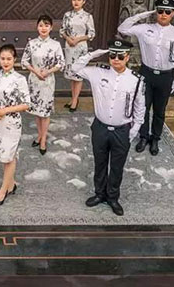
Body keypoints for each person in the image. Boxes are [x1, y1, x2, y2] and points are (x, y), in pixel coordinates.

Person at [72, 39, 146, 216]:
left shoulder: (135, 80)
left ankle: (113, 197)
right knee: (100, 162)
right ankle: (99, 194)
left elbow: (140, 107)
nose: (116, 59)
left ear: (127, 57)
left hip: (122, 129)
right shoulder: (98, 72)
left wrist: (134, 130)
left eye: (120, 56)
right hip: (100, 127)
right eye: (112, 55)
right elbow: (75, 68)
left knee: (117, 166)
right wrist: (94, 54)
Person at [117, 0, 174, 156]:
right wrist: (142, 15)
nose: (163, 14)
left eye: (167, 12)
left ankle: (155, 138)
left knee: (160, 110)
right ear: (156, 12)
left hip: (166, 76)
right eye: (160, 11)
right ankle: (143, 136)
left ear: (173, 13)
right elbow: (123, 28)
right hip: (146, 73)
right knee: (142, 107)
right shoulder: (145, 29)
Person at [0, 44, 30, 207]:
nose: (5, 62)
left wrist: (5, 110)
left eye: (9, 59)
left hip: (12, 123)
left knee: (9, 155)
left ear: (14, 59)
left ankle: (3, 190)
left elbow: (27, 104)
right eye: (2, 58)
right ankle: (11, 184)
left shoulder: (19, 79)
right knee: (3, 155)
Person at [21, 14, 66, 155]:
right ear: (37, 27)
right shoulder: (32, 43)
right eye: (41, 25)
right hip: (34, 81)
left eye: (46, 25)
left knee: (45, 112)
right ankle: (39, 135)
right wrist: (35, 71)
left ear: (51, 27)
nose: (43, 28)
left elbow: (61, 63)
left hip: (47, 81)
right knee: (37, 111)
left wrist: (48, 71)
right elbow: (24, 61)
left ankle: (43, 140)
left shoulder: (55, 45)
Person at [59, 0, 96, 112]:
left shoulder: (87, 16)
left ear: (83, 1)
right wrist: (68, 39)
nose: (76, 2)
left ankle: (75, 100)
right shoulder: (67, 15)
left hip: (80, 47)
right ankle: (73, 97)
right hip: (69, 46)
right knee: (71, 74)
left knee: (78, 75)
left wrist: (79, 39)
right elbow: (62, 30)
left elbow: (91, 33)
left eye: (79, 0)